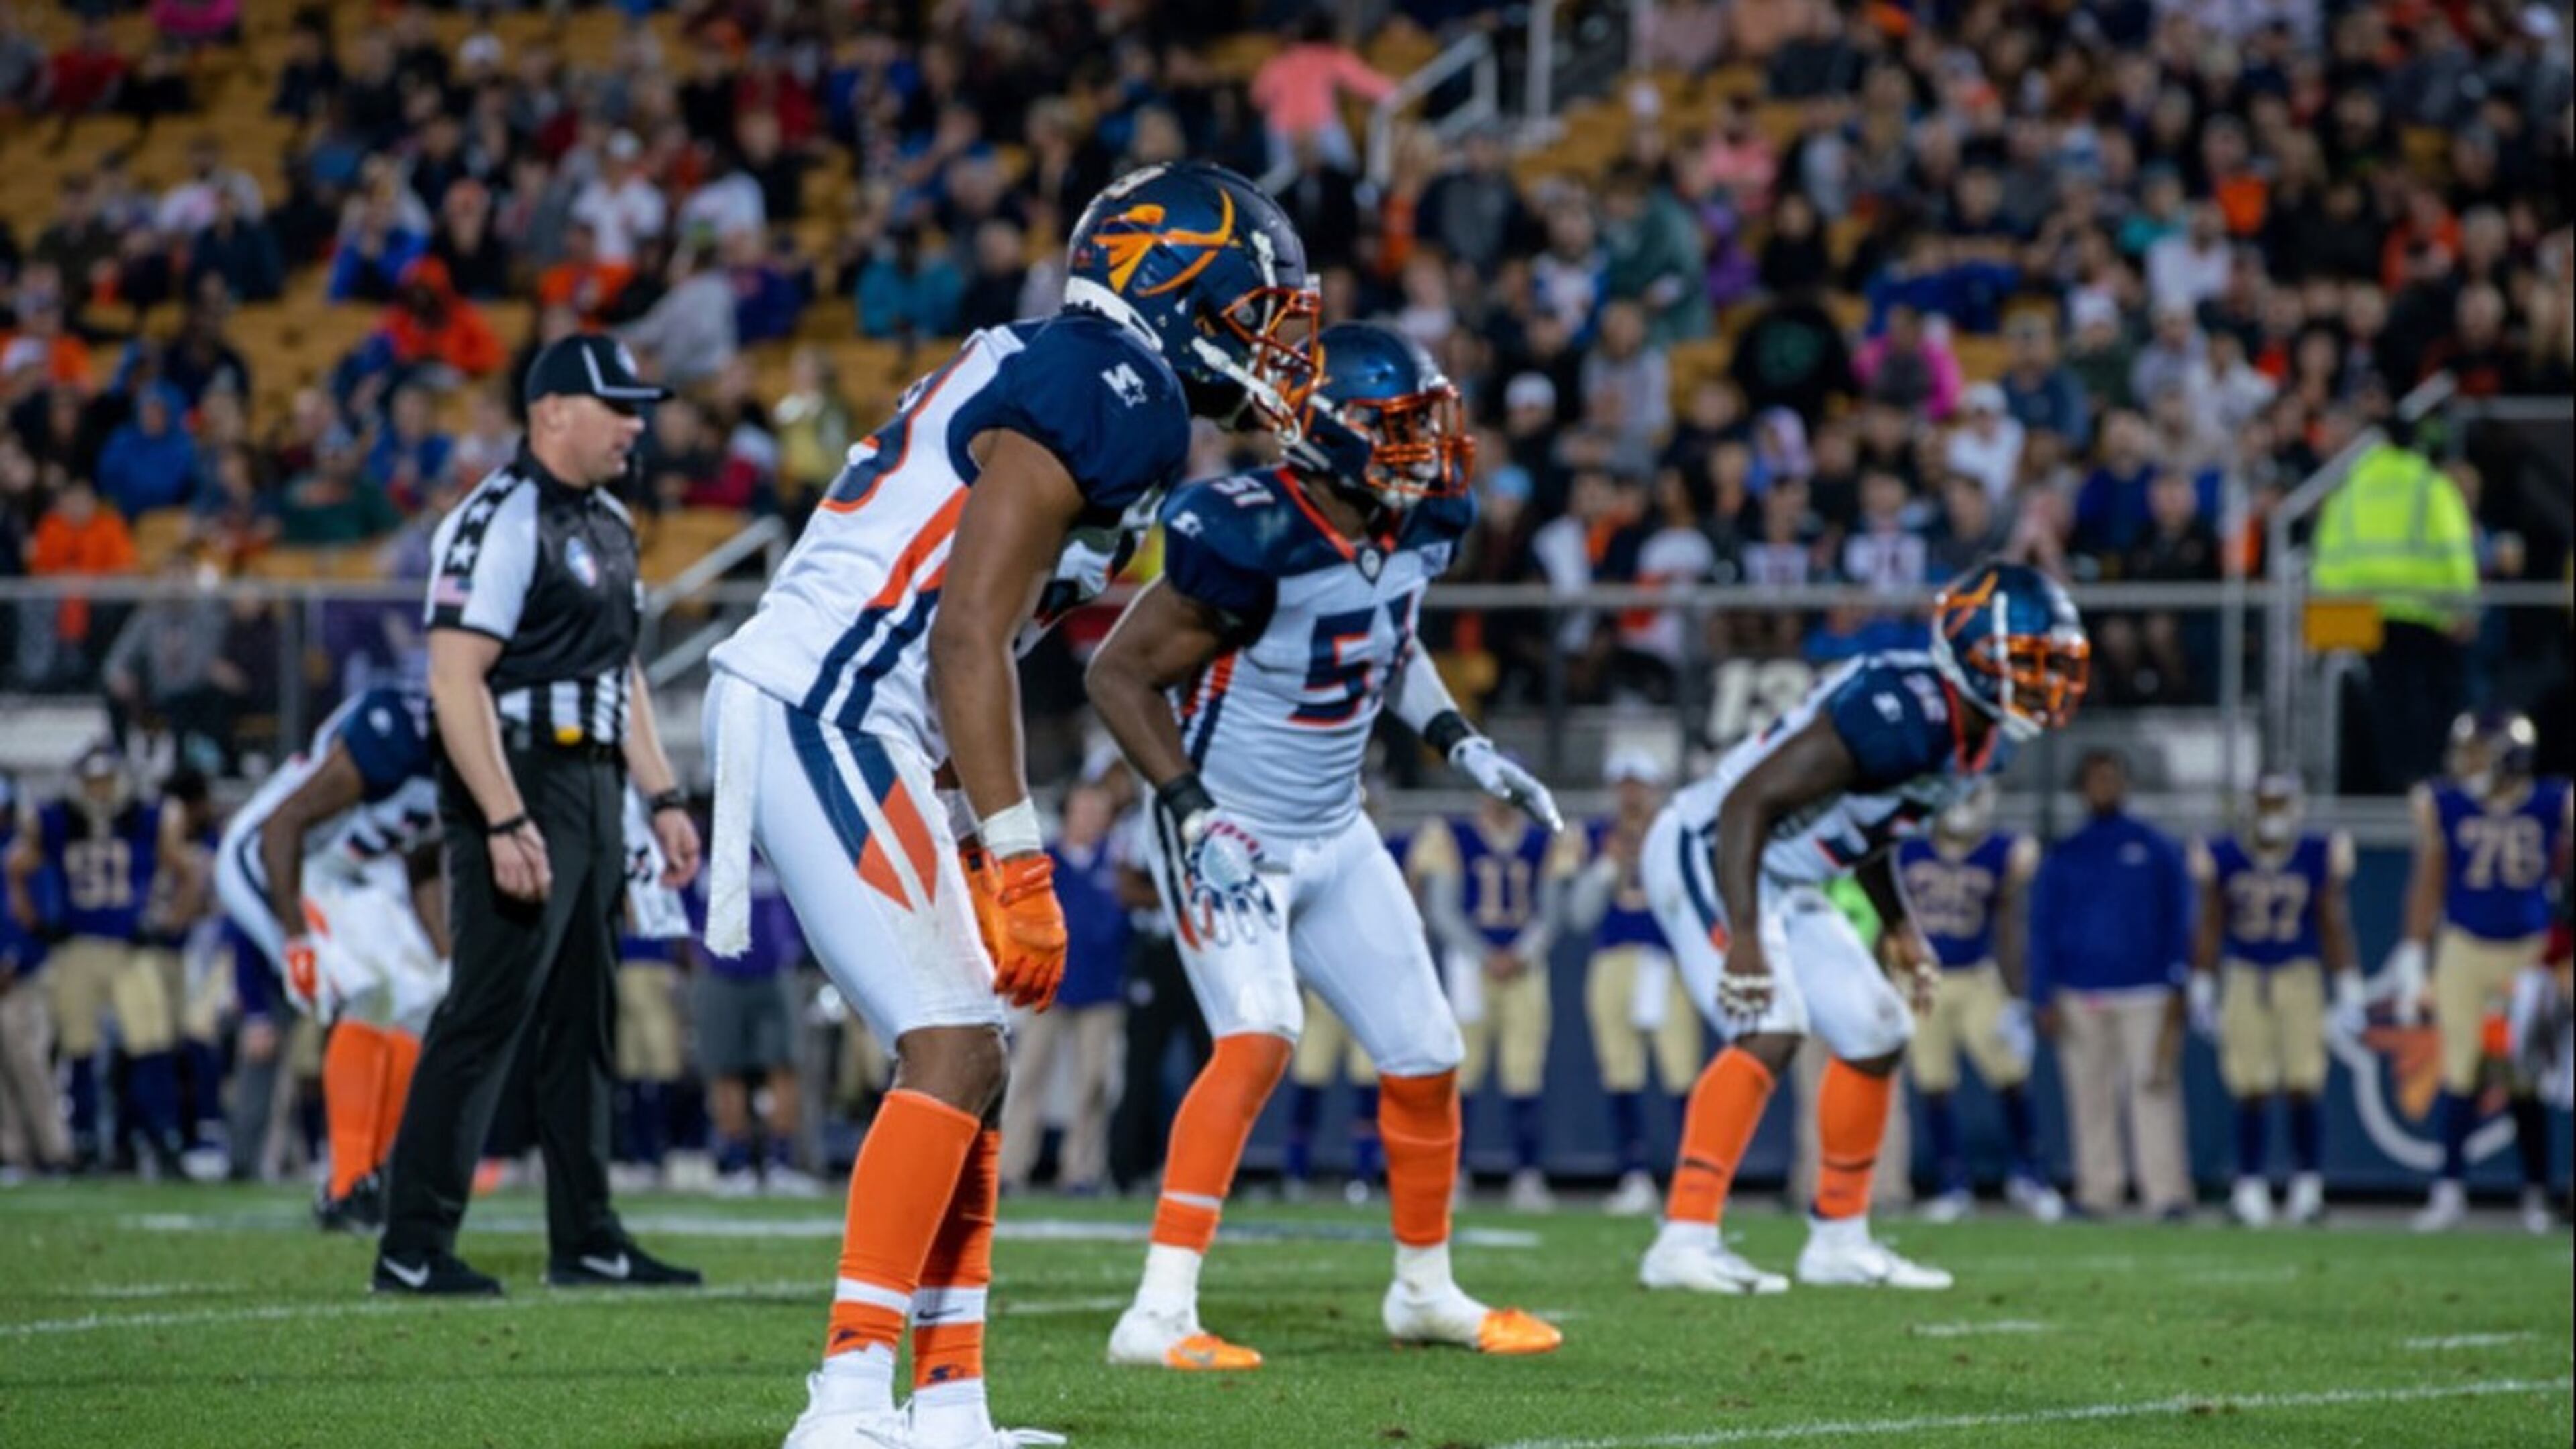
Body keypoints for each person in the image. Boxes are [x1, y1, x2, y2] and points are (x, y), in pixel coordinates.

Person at [699, 162, 1320, 1449]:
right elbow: (966, 636)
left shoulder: (1091, 370)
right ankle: (851, 1394)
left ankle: (951, 1401)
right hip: (833, 700)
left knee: (974, 1047)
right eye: (1252, 308)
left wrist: (975, 823)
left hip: (874, 714)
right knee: (953, 1043)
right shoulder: (1119, 383)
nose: (1268, 342)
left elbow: (963, 637)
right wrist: (1018, 854)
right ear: (1176, 283)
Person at [1086, 321, 1565, 1371]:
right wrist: (1188, 810)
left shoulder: (1426, 517)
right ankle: (1156, 1314)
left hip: (1338, 830)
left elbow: (1384, 640)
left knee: (1429, 1054)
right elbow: (1119, 674)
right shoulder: (1251, 529)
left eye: (1426, 423)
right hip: (1230, 831)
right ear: (1330, 435)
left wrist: (1461, 740)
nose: (1427, 448)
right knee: (1259, 1034)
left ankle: (1424, 1292)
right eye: (1400, 428)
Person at [1637, 561, 2090, 1295]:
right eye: (2030, 665)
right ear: (1973, 654)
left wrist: (1900, 927)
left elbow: (1875, 825)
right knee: (1769, 1024)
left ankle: (1839, 1242)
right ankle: (1684, 1238)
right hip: (1714, 847)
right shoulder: (1902, 709)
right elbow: (1747, 803)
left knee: (1879, 1029)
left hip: (1789, 872)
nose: (2046, 685)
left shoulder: (1986, 735)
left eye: (2054, 668)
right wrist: (1746, 940)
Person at [376, 333, 703, 1298]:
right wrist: (506, 819)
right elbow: (453, 678)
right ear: (552, 411)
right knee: (484, 1012)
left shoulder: (606, 518)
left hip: (593, 784)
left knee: (582, 1020)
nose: (638, 426)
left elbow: (620, 671)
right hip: (518, 776)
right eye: (620, 407)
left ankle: (587, 1237)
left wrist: (663, 795)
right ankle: (412, 1241)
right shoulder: (500, 516)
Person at [211, 683, 446, 1230]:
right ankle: (345, 1187)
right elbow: (281, 826)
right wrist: (295, 942)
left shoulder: (471, 754)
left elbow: (422, 859)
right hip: (271, 863)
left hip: (344, 875)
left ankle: (378, 1174)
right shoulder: (403, 729)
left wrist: (443, 951)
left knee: (422, 995)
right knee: (363, 992)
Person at [2388, 712, 2570, 1234]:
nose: (2466, 763)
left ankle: (2536, 1194)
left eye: (2478, 751)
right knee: (2461, 1068)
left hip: (2530, 950)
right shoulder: (2442, 803)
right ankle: (2448, 1190)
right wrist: (2411, 950)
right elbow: (2429, 876)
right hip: (2465, 945)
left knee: (2523, 1074)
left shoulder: (2554, 801)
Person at [4, 747, 191, 1175]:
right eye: (93, 782)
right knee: (78, 1045)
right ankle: (84, 1138)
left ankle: (162, 1136)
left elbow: (190, 872)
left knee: (153, 1041)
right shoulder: (54, 819)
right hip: (78, 947)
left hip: (130, 947)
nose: (101, 791)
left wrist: (168, 923)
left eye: (107, 780)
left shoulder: (150, 817)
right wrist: (36, 923)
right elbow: (16, 867)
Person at [2188, 773, 2362, 1229]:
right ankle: (2249, 1188)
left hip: (2299, 974)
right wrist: (2202, 981)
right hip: (2245, 974)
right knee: (2250, 1087)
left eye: (2279, 805)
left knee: (2305, 1082)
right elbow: (2211, 921)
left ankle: (2308, 1188)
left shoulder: (2318, 853)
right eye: (2265, 805)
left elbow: (2331, 918)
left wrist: (2347, 983)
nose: (2272, 815)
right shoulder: (2223, 855)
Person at [2029, 750, 2196, 1221]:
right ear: (2081, 789)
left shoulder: (2155, 846)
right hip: (2079, 990)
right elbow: (2041, 927)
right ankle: (2098, 1189)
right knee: (2089, 1096)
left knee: (2154, 1089)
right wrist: (2042, 992)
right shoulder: (2066, 852)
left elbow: (2180, 917)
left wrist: (2178, 980)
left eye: (2111, 778)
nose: (2103, 787)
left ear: (2126, 784)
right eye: (2094, 779)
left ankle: (2165, 1192)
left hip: (2146, 989)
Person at [1409, 787, 1583, 1213]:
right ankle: (1455, 1171)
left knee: (1524, 1071)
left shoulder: (1543, 840)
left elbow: (1552, 911)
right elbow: (1443, 910)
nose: (1500, 802)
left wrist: (1521, 954)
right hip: (1471, 967)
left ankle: (1526, 1173)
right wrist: (1486, 955)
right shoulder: (1455, 837)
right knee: (1462, 1070)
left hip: (1524, 968)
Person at [1898, 782, 2063, 1223]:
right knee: (1934, 1083)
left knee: (2010, 1074)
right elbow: (1889, 925)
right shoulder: (1908, 852)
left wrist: (2016, 996)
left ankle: (2031, 1175)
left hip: (1978, 975)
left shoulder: (2003, 851)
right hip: (1921, 981)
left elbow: (2010, 922)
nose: (1960, 809)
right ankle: (1953, 1184)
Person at [1566, 749, 1699, 1218]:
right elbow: (1578, 915)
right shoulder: (1599, 838)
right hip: (1612, 961)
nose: (1631, 795)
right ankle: (1635, 1173)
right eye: (1624, 785)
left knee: (1680, 1068)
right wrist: (1607, 866)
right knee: (1620, 1068)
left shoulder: (1676, 835)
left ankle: (1693, 1178)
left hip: (1663, 961)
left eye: (1639, 785)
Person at [996, 777, 1130, 1197]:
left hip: (1103, 986)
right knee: (1027, 1076)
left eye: (1097, 812)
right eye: (1083, 810)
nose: (1089, 819)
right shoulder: (1044, 861)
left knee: (1095, 1081)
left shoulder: (1119, 865)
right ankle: (1010, 1167)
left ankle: (1082, 1170)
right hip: (1045, 986)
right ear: (1069, 813)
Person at [0, 776, 71, 1179]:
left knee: (30, 1063)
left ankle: (54, 1148)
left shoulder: (25, 857)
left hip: (24, 977)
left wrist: (14, 962)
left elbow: (44, 920)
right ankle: (13, 1151)